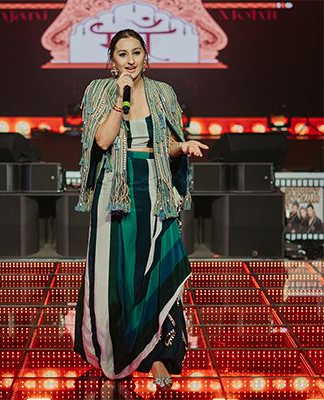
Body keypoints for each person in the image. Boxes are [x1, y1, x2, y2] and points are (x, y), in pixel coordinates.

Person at [74, 29, 209, 390]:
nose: (130, 60)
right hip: (115, 191)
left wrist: (184, 147)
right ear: (112, 61)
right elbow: (102, 140)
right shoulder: (99, 91)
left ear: (146, 58)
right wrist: (120, 100)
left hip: (154, 189)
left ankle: (159, 356)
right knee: (117, 275)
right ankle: (118, 353)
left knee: (158, 269)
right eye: (122, 54)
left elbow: (167, 145)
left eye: (136, 53)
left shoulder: (163, 93)